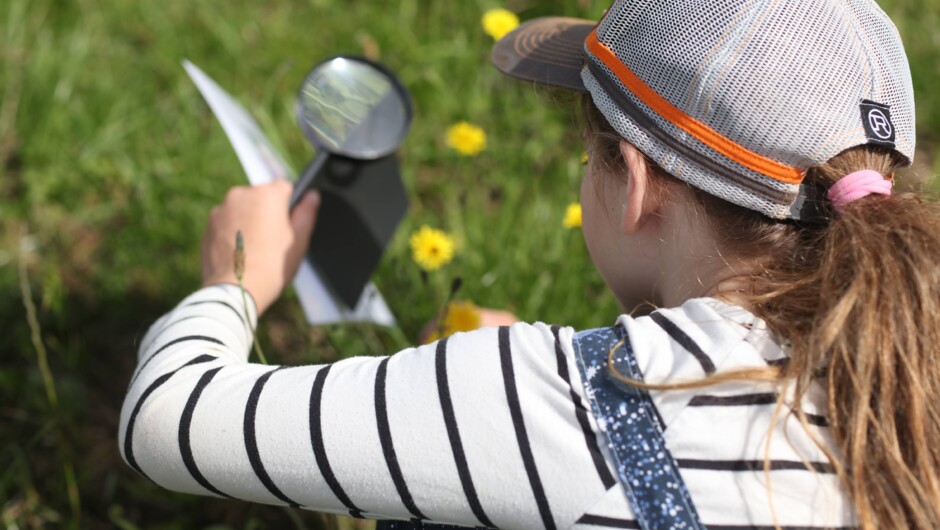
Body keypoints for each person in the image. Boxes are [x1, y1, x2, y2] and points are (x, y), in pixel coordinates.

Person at [119, 1, 940, 528]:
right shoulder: (914, 361)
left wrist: (236, 277)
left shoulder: (605, 410)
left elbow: (167, 420)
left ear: (636, 185)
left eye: (588, 153)